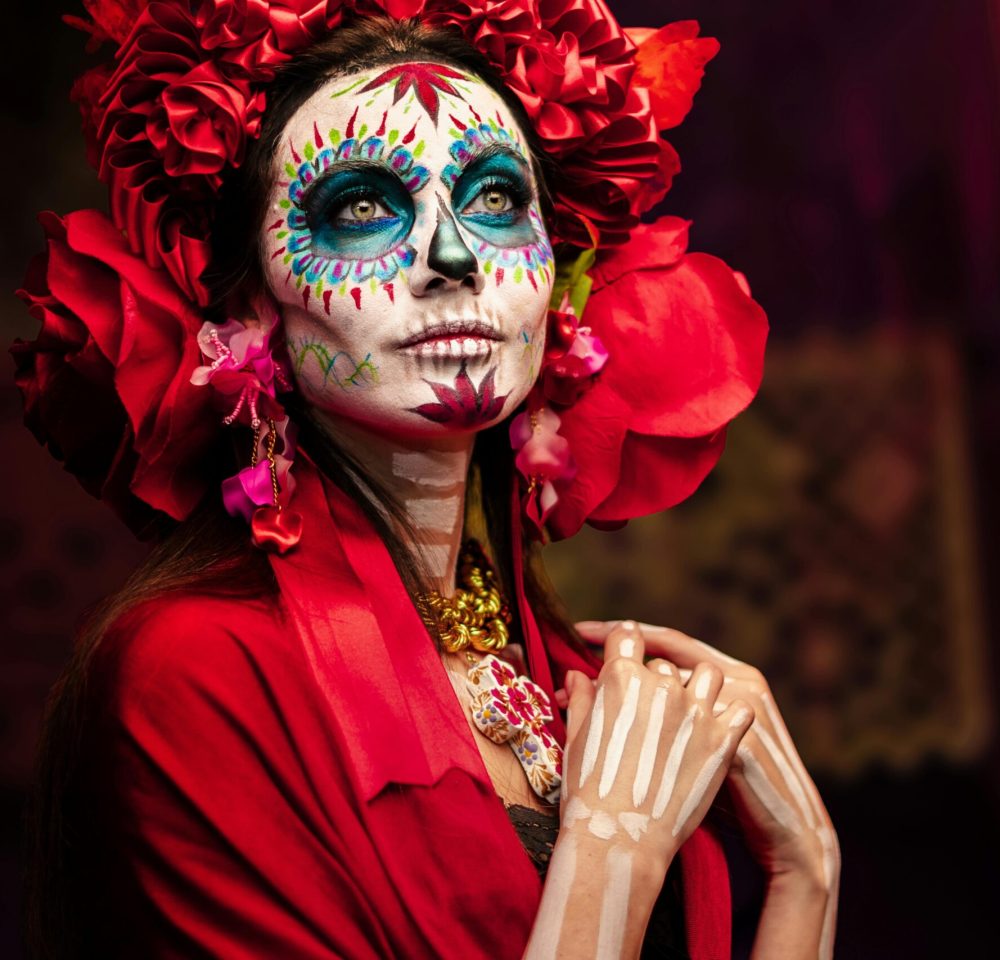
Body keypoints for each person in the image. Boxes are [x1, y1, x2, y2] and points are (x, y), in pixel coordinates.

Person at [14, 2, 838, 958]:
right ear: (250, 299)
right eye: (361, 208)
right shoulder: (194, 673)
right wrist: (613, 853)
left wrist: (806, 873)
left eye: (494, 198)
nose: (453, 258)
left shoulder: (568, 681)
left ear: (555, 278)